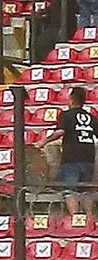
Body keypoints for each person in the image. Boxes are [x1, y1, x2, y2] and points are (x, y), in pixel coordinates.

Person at [45, 87, 96, 219]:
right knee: (86, 190)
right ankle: (89, 219)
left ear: (71, 99)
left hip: (71, 159)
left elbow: (60, 132)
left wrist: (42, 142)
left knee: (70, 190)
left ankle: (77, 220)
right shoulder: (91, 117)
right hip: (89, 158)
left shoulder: (66, 115)